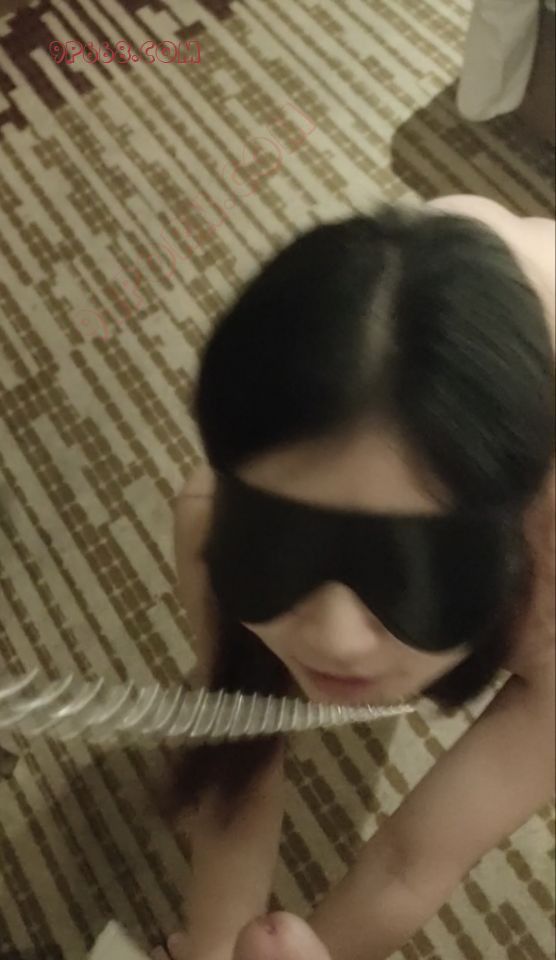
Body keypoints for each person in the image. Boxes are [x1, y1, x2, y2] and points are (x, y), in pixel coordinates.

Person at [152, 195, 555, 960]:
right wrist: (216, 944)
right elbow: (239, 755)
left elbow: (412, 861)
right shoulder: (211, 518)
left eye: (412, 569)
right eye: (280, 544)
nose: (335, 641)